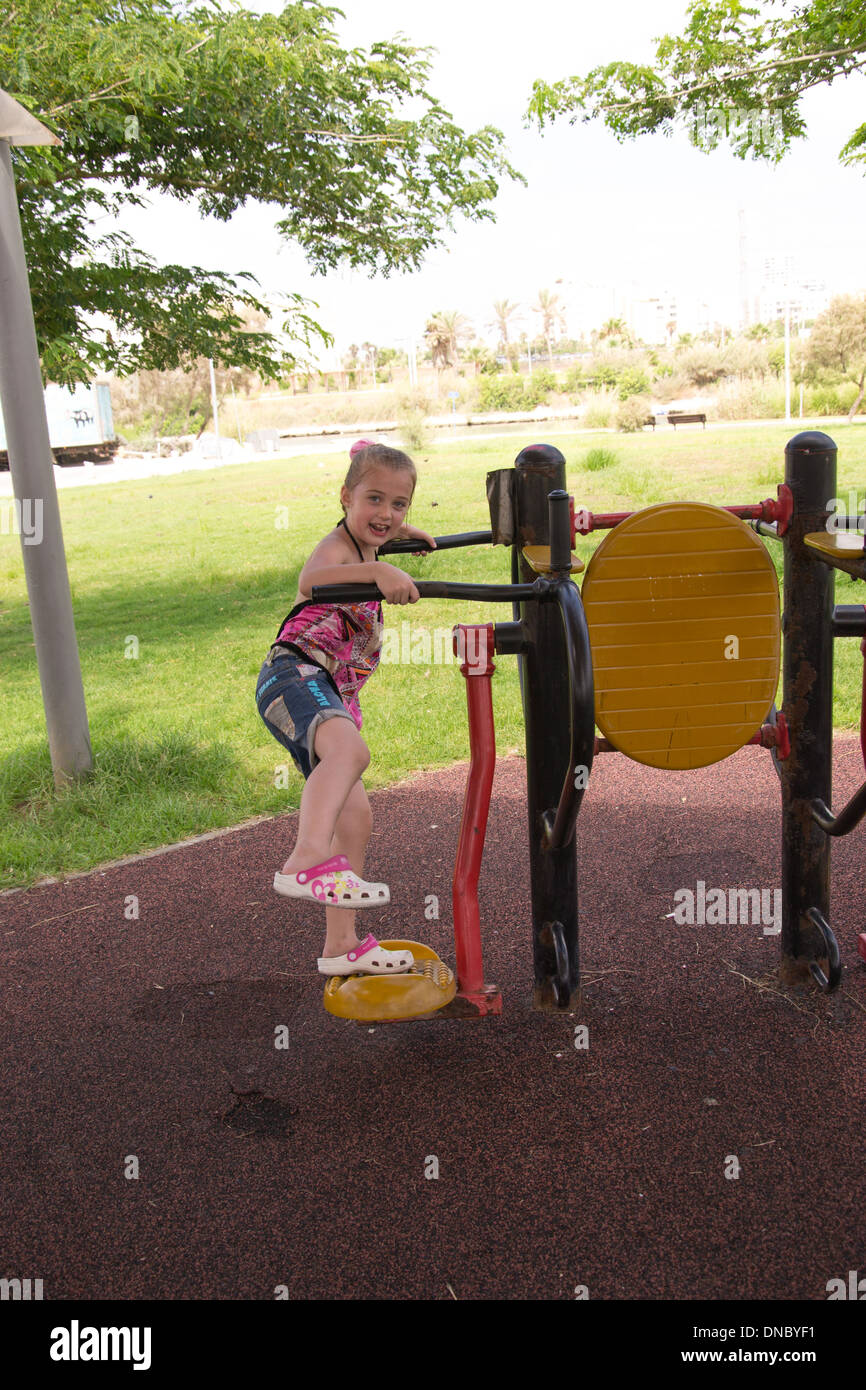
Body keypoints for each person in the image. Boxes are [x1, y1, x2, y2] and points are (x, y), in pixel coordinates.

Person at [255, 440, 437, 979]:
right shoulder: (336, 550)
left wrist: (402, 538)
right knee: (350, 752)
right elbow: (312, 583)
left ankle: (341, 946)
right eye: (374, 500)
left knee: (356, 817)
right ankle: (305, 857)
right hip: (294, 674)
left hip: (328, 691)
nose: (386, 514)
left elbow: (382, 530)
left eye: (399, 505)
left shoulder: (370, 544)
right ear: (345, 497)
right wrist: (380, 575)